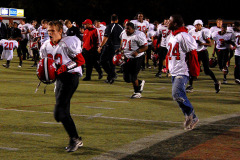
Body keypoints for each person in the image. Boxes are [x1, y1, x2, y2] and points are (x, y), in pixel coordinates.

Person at [40, 20, 85, 152]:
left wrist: (63, 68)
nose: (50, 33)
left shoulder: (68, 42)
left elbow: (80, 60)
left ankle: (75, 139)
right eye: (48, 31)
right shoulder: (45, 45)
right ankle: (76, 138)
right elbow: (44, 63)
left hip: (71, 76)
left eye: (53, 31)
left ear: (60, 31)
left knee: (60, 111)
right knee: (62, 112)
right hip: (59, 79)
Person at [167, 15, 200, 130]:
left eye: (170, 21)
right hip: (174, 70)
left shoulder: (184, 36)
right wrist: (167, 67)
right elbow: (169, 54)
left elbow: (192, 55)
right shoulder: (172, 36)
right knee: (179, 96)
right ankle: (191, 116)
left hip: (183, 70)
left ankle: (191, 115)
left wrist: (195, 72)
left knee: (177, 94)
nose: (167, 22)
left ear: (175, 24)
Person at [187, 19, 220, 93]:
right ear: (194, 25)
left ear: (201, 25)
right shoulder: (191, 32)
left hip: (203, 52)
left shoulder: (204, 32)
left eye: (199, 25)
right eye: (197, 25)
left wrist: (202, 43)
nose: (198, 26)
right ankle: (190, 86)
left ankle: (216, 82)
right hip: (195, 52)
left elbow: (210, 44)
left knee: (207, 70)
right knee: (192, 69)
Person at [118, 22, 148, 98]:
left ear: (133, 29)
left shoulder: (139, 35)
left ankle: (137, 92)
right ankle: (140, 82)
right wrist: (120, 48)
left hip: (137, 58)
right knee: (127, 78)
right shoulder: (123, 33)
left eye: (128, 29)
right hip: (126, 57)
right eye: (126, 28)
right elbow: (122, 41)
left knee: (133, 75)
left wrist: (137, 51)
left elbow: (145, 47)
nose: (126, 30)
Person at [98, 14, 123, 84]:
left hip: (110, 46)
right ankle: (110, 78)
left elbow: (106, 37)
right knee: (112, 63)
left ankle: (112, 75)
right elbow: (122, 38)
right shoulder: (121, 27)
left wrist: (100, 46)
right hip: (117, 47)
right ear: (117, 20)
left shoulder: (110, 26)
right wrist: (121, 47)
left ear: (111, 20)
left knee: (102, 61)